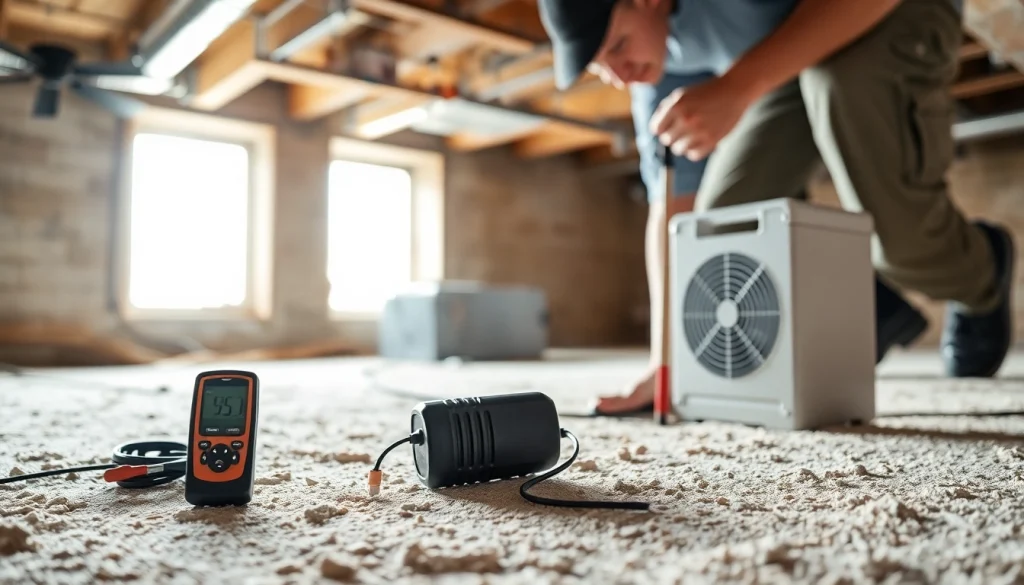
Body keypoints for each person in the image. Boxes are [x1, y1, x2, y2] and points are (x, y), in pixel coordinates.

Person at [536, 0, 1017, 415]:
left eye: (618, 45)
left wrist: (739, 86)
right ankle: (871, 302)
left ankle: (978, 272)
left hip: (879, 16)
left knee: (897, 235)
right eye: (601, 67)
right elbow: (675, 215)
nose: (619, 76)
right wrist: (667, 363)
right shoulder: (656, 65)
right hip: (788, 59)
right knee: (726, 229)